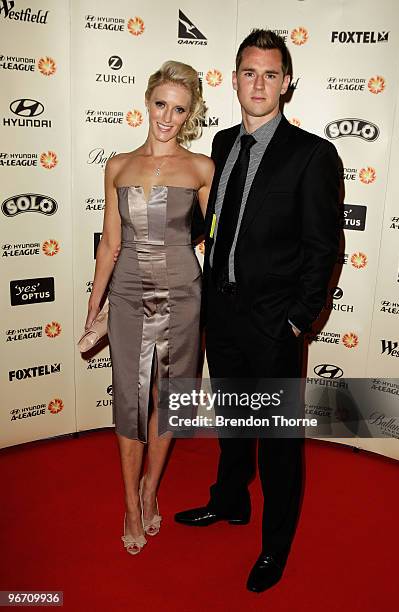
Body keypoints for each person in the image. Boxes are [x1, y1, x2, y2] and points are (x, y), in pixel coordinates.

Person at [174, 30, 340, 592]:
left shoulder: (313, 154)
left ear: (286, 82)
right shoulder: (221, 146)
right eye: (250, 72)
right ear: (235, 79)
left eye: (271, 73)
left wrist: (297, 320)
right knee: (233, 427)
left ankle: (275, 545)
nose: (259, 83)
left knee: (278, 444)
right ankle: (230, 503)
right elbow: (208, 223)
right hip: (219, 314)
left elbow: (323, 249)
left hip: (273, 324)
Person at [85, 60, 214, 555]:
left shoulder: (202, 168)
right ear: (147, 102)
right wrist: (92, 306)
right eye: (161, 104)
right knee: (131, 403)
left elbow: (220, 240)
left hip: (184, 294)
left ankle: (150, 488)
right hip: (127, 297)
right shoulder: (117, 165)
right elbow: (109, 245)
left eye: (179, 109)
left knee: (170, 401)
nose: (167, 116)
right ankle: (130, 505)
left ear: (189, 114)